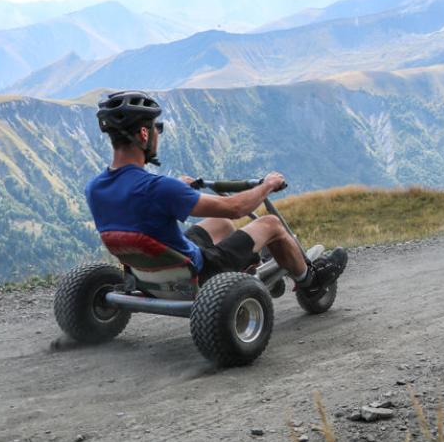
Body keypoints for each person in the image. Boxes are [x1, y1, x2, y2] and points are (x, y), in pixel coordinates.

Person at [85, 90, 347, 293]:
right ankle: (310, 280)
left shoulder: (95, 187)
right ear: (143, 134)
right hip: (198, 272)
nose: (158, 134)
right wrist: (266, 185)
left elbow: (139, 200)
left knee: (219, 225)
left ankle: (249, 263)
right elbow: (236, 209)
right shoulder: (161, 188)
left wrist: (177, 187)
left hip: (145, 271)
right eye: (157, 128)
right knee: (271, 223)